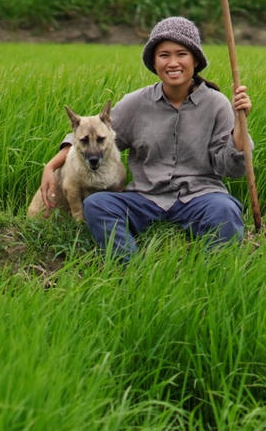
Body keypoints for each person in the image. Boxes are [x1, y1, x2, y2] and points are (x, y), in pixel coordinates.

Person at [39, 16, 253, 260]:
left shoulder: (217, 104)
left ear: (195, 60)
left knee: (225, 209)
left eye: (181, 54)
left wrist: (239, 125)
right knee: (98, 205)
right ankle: (130, 272)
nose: (173, 62)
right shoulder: (135, 103)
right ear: (154, 61)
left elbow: (231, 168)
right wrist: (52, 165)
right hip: (145, 198)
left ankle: (213, 275)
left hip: (201, 197)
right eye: (164, 55)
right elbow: (95, 138)